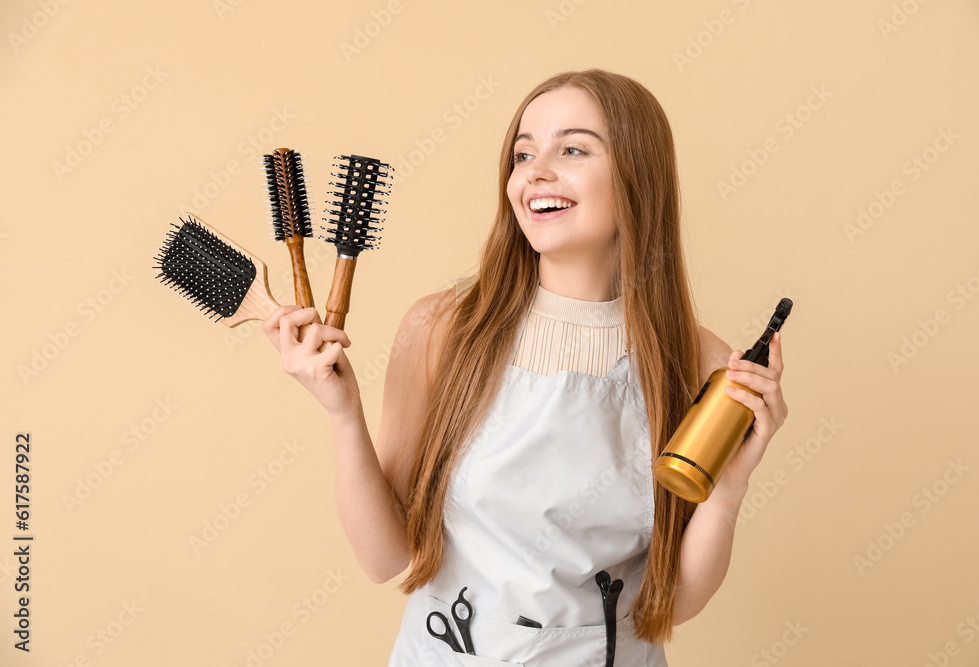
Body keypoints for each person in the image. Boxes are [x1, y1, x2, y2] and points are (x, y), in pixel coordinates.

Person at [263, 69, 788, 666]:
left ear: (638, 177)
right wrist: (343, 413)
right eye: (522, 152)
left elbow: (677, 603)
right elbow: (384, 559)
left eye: (572, 148)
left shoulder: (704, 365)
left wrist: (728, 488)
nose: (534, 172)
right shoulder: (442, 330)